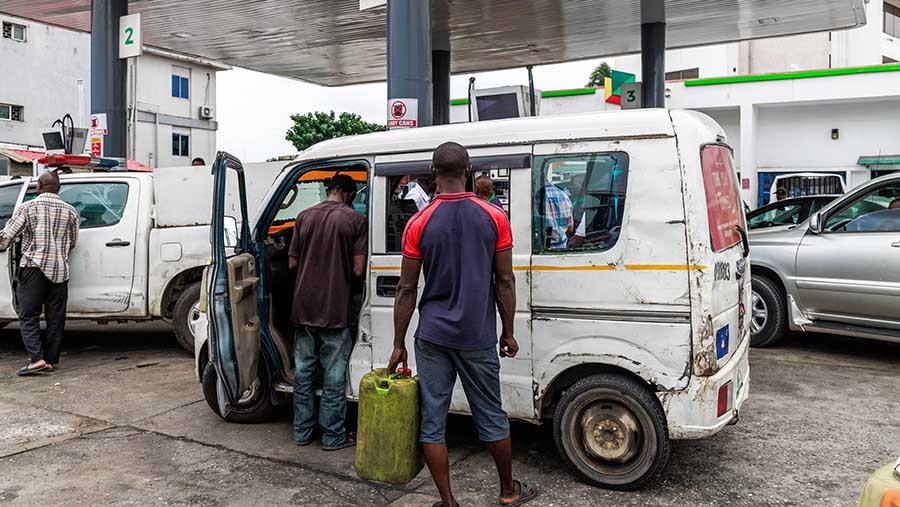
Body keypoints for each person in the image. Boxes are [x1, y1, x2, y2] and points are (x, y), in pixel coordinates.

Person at [389, 142, 538, 507]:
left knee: (432, 421)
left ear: (432, 171)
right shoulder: (493, 216)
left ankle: (449, 502)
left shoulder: (418, 222)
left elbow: (406, 289)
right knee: (490, 414)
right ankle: (507, 492)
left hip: (432, 336)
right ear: (468, 170)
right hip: (477, 336)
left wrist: (398, 343)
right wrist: (508, 331)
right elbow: (504, 281)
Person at [288, 174, 367, 451]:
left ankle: (302, 432)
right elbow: (358, 270)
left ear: (328, 190)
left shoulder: (303, 216)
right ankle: (333, 436)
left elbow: (292, 262)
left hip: (304, 307)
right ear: (348, 194)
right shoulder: (356, 220)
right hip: (336, 308)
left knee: (304, 372)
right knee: (334, 376)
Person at [0, 172, 79, 376]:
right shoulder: (70, 211)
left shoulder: (28, 207)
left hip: (33, 268)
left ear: (39, 186)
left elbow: (6, 237)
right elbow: (72, 242)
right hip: (60, 270)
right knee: (55, 317)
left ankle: (36, 359)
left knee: (28, 314)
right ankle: (50, 360)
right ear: (58, 188)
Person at [543, 181, 574, 249]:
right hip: (561, 249)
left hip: (541, 249)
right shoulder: (562, 195)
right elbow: (570, 229)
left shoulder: (530, 195)